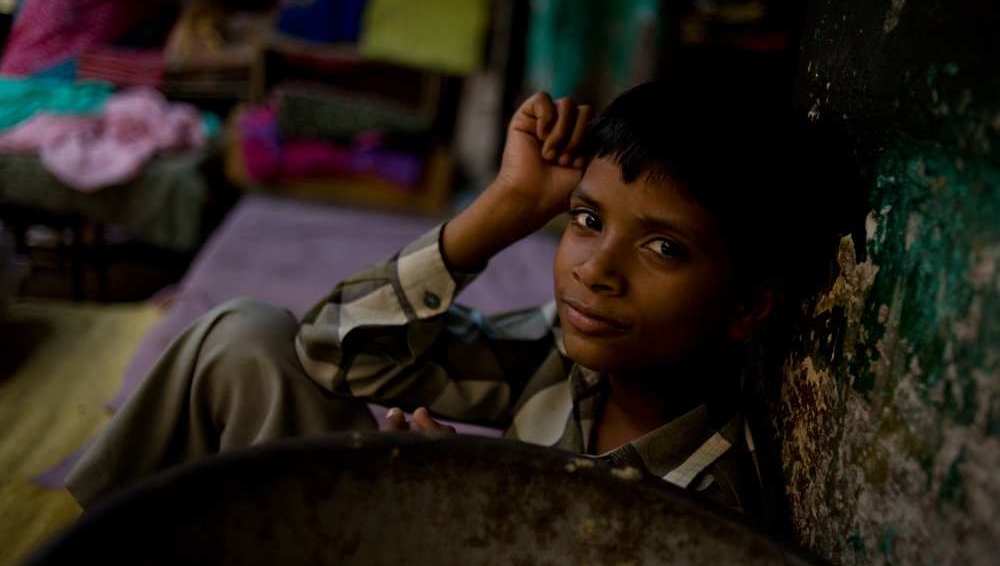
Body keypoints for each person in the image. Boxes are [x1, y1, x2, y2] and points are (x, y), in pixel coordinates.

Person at [67, 80, 811, 522]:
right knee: (247, 340)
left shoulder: (708, 503)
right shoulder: (564, 359)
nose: (596, 270)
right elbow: (330, 348)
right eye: (587, 221)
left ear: (750, 305)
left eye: (664, 248)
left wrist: (450, 509)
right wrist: (507, 204)